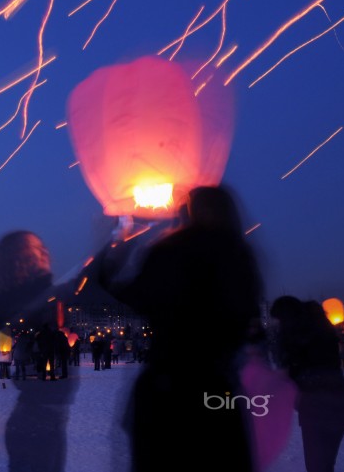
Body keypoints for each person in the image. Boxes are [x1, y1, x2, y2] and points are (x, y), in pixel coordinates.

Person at [107, 186, 262, 471]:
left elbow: (137, 295)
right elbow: (245, 319)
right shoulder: (239, 256)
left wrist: (118, 247)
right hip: (217, 387)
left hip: (168, 388)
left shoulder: (174, 252)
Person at [0, 230, 77, 472]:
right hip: (36, 423)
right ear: (18, 259)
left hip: (50, 421)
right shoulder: (20, 304)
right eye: (34, 249)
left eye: (43, 248)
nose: (44, 253)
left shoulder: (44, 300)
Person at [271, 297, 344, 472]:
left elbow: (285, 370)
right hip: (340, 404)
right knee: (324, 464)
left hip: (316, 406)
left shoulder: (294, 335)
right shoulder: (321, 328)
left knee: (317, 466)